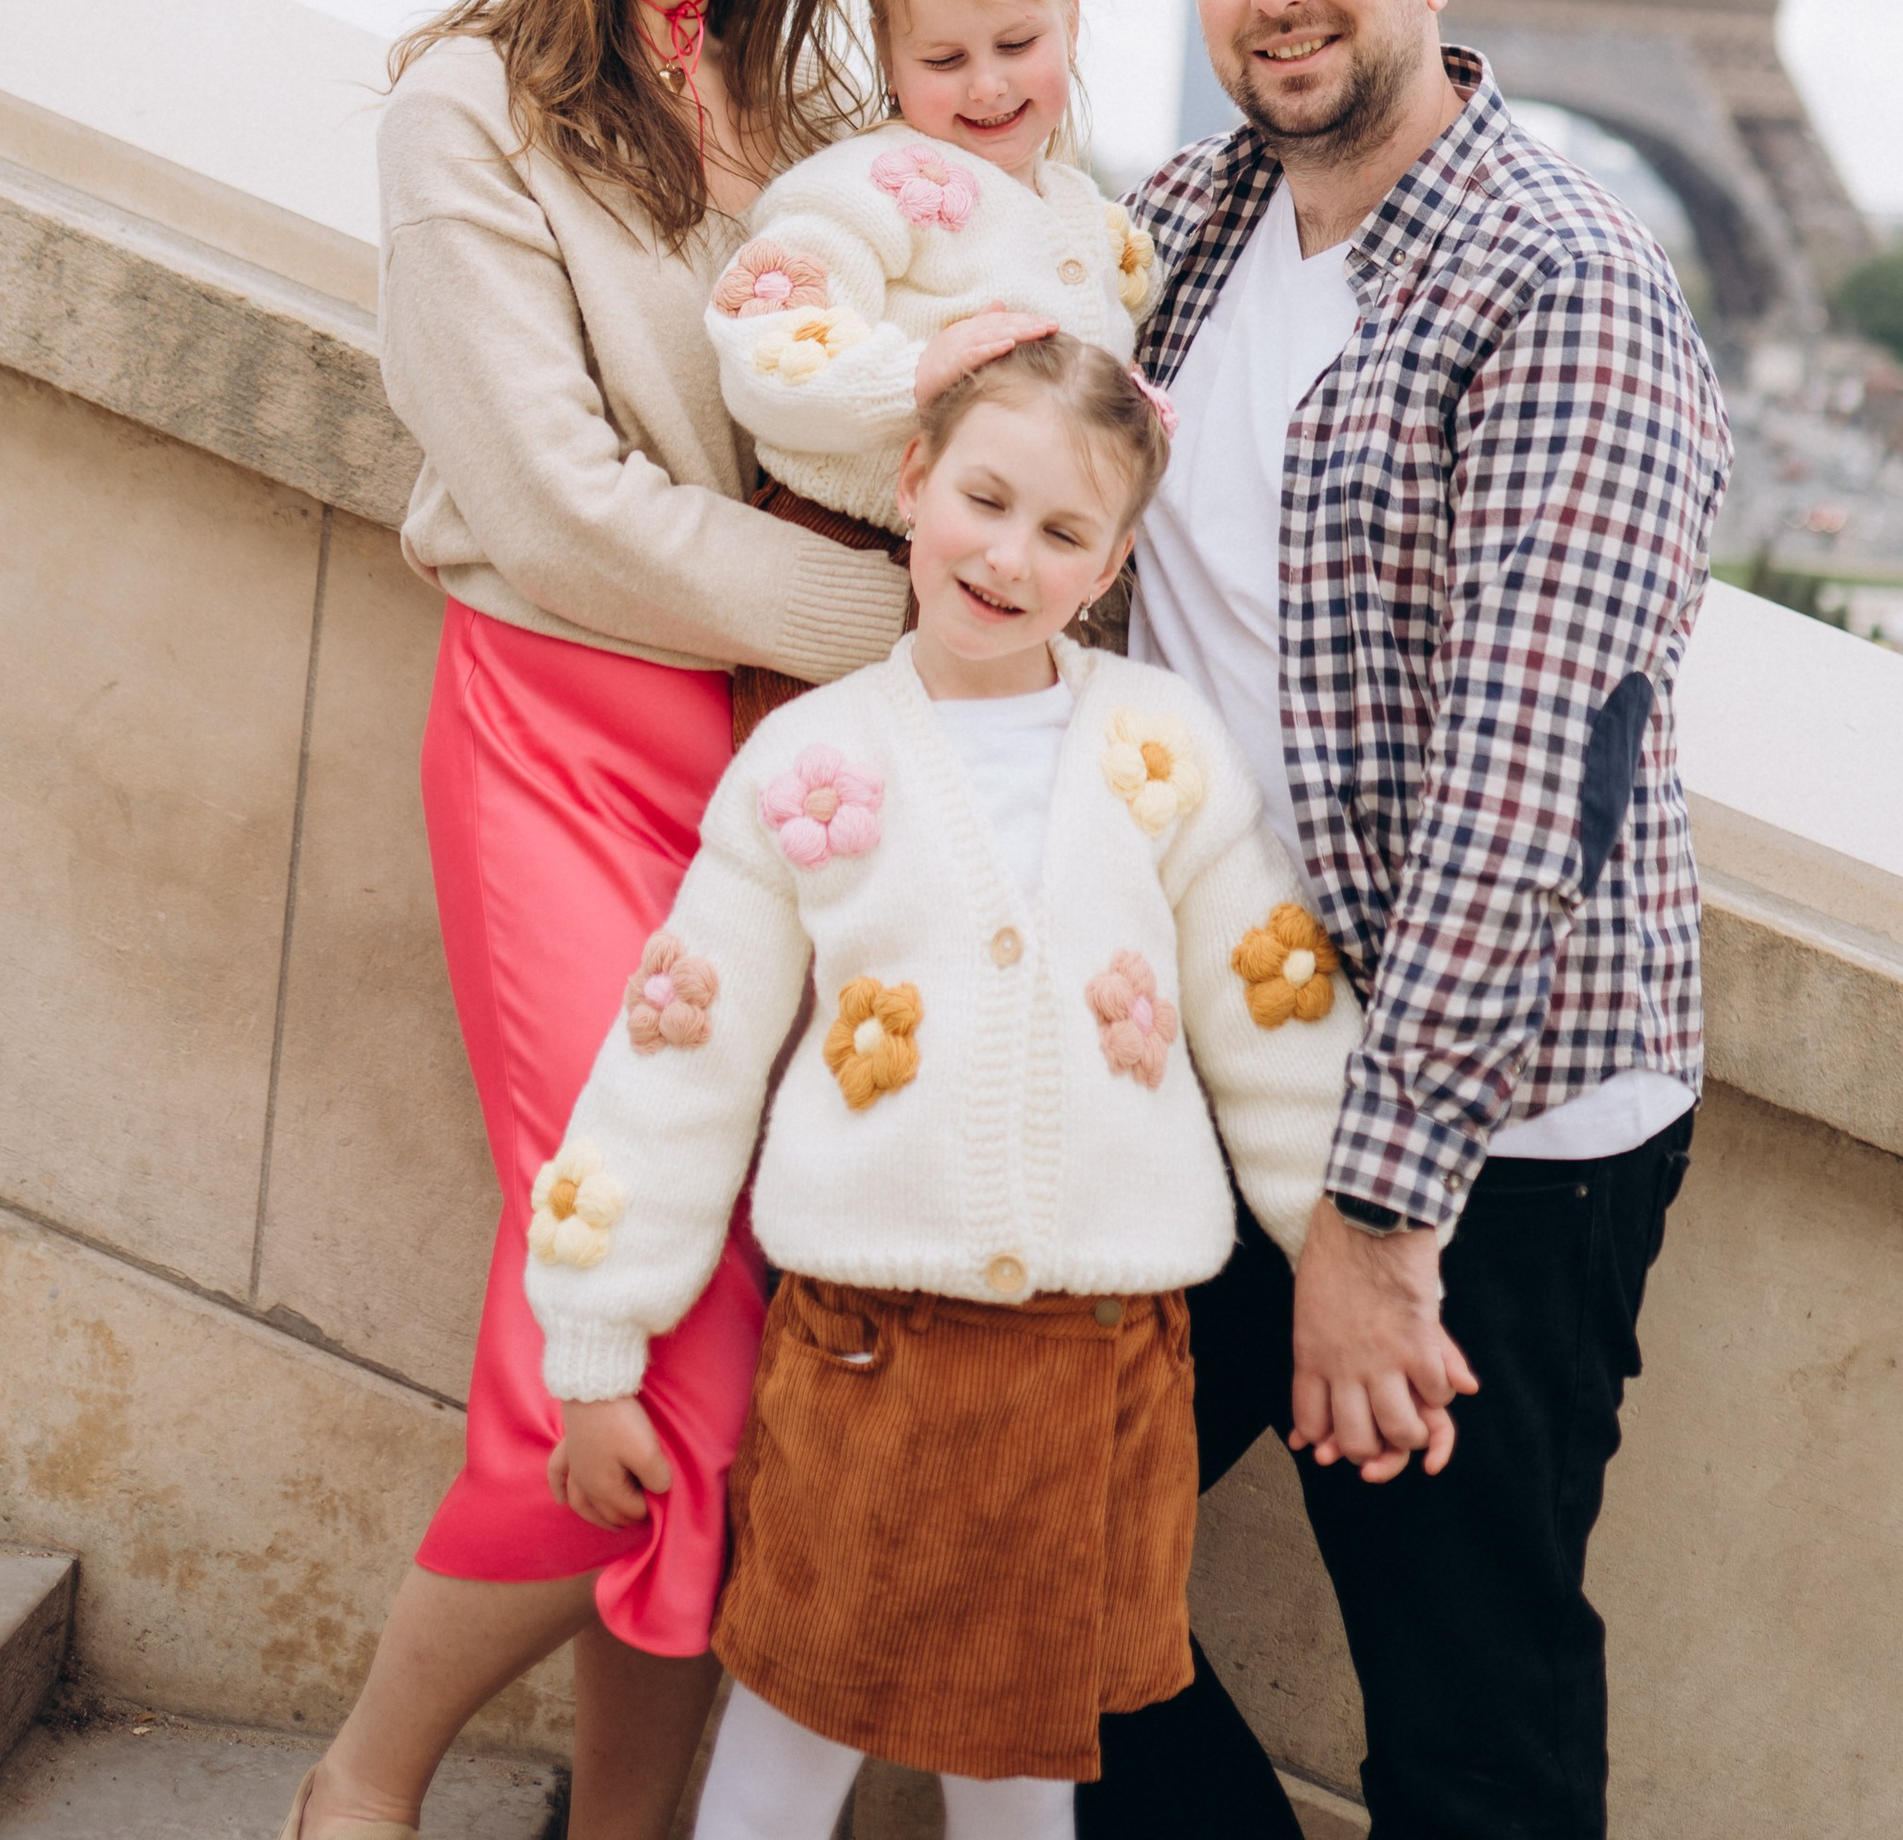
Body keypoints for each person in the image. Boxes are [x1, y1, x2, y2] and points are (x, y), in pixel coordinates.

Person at [280, 0, 916, 1840]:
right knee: (649, 1325)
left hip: (776, 791)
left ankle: (626, 1829)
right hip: (559, 745)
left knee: (714, 1330)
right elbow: (554, 500)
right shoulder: (460, 104)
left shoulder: (819, 140)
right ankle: (362, 1780)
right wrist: (888, 618)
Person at [1084, 0, 1729, 1840]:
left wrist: (1376, 1222)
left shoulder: (1565, 282)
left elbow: (1522, 788)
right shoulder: (1181, 231)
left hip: (1490, 1138)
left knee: (1465, 1712)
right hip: (1215, 1063)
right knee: (1030, 1561)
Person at [528, 330, 1366, 1840]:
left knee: (1023, 1758)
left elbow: (1276, 1018)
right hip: (866, 1351)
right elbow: (683, 1050)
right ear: (913, 484)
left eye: (1063, 533)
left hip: (1095, 1358)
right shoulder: (813, 762)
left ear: (1112, 565)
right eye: (984, 500)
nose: (1007, 556)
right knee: (792, 1726)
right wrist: (594, 1342)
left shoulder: (1161, 749)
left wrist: (1346, 1258)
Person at [703, 0, 1158, 739]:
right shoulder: (858, 187)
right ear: (888, 53)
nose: (988, 85)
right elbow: (765, 334)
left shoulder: (1084, 213)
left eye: (1018, 46)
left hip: (1021, 595)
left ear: (1068, 17)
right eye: (944, 58)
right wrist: (909, 376)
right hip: (859, 561)